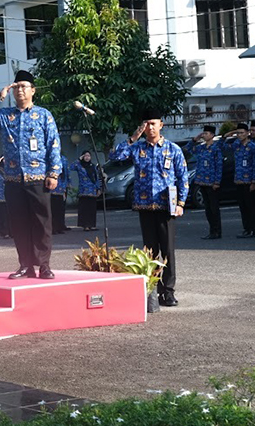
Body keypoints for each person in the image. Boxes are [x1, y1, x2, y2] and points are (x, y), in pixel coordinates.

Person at [0, 70, 62, 280]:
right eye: (16, 87)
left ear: (33, 90)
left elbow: (54, 144)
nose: (20, 90)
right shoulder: (5, 116)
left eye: (24, 86)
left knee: (41, 223)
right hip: (13, 178)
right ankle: (25, 265)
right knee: (19, 223)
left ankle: (44, 265)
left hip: (38, 177)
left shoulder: (43, 115)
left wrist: (54, 173)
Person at [109, 109, 188, 307]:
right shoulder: (137, 148)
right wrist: (133, 137)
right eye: (147, 124)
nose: (150, 127)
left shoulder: (172, 149)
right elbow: (116, 156)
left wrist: (180, 203)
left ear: (161, 125)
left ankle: (168, 291)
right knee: (150, 252)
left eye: (153, 123)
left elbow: (183, 177)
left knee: (167, 250)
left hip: (165, 206)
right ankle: (151, 289)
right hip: (145, 205)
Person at [187, 125, 224, 240]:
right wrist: (195, 139)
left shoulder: (216, 148)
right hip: (202, 182)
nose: (204, 135)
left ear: (212, 135)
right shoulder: (201, 148)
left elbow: (219, 166)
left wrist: (217, 182)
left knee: (214, 208)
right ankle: (211, 230)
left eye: (207, 133)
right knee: (207, 209)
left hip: (212, 182)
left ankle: (217, 231)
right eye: (204, 133)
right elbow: (188, 149)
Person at [223, 124, 255, 238]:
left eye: (242, 132)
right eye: (238, 133)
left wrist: (254, 181)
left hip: (249, 181)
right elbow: (222, 146)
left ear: (248, 133)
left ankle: (254, 229)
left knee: (251, 206)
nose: (239, 135)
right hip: (239, 180)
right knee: (243, 207)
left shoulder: (253, 147)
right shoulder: (236, 145)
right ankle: (246, 228)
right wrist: (228, 135)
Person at [71, 152, 103, 231]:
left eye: (88, 156)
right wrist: (79, 159)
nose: (87, 157)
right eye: (85, 156)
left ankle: (92, 225)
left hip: (92, 190)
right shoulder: (79, 166)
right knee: (84, 209)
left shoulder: (93, 166)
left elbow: (96, 178)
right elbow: (71, 167)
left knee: (92, 208)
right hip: (83, 191)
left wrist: (98, 188)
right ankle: (85, 225)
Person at [50, 153, 70, 234]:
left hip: (61, 186)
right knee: (52, 209)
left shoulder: (63, 159)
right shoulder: (49, 158)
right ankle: (52, 228)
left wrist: (67, 184)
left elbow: (66, 172)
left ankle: (59, 227)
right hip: (51, 188)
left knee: (60, 209)